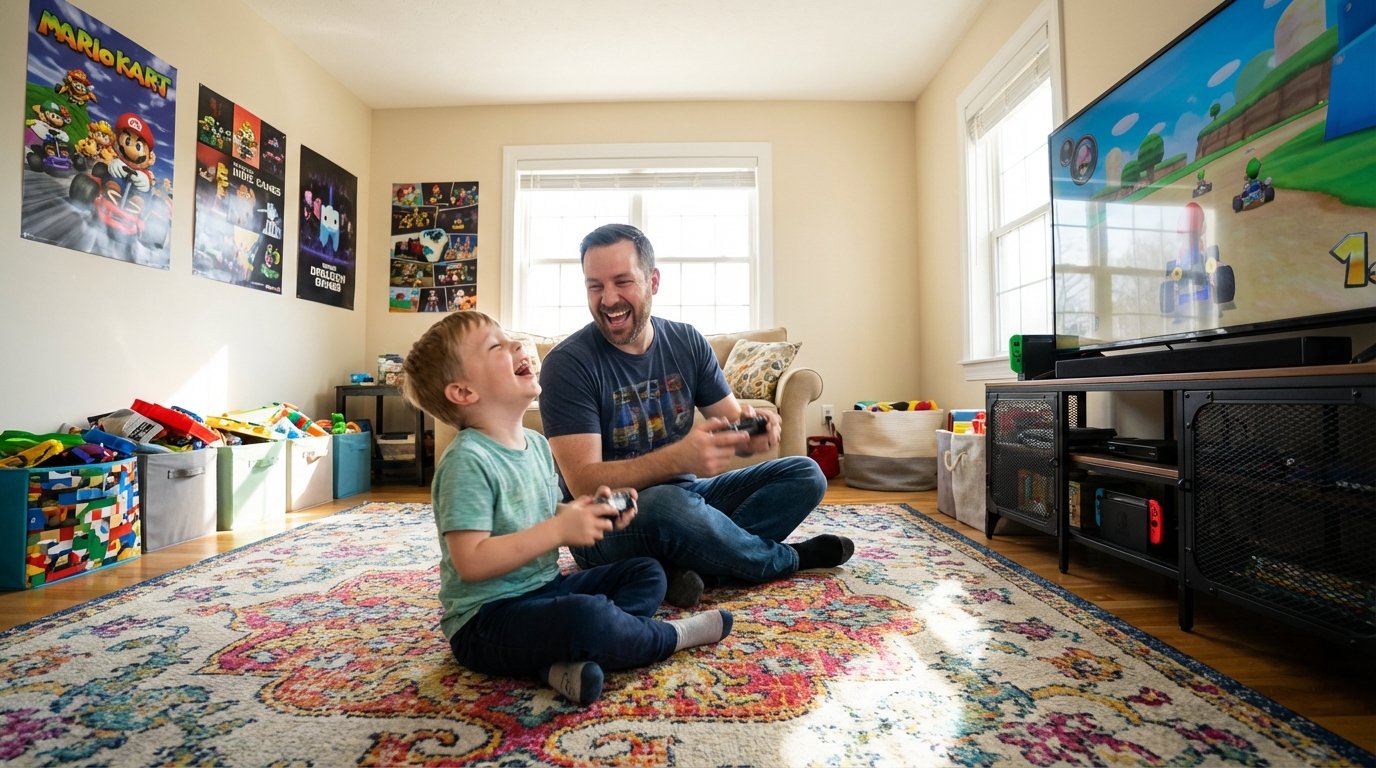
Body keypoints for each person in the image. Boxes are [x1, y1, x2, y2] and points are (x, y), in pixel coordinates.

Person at [402, 310, 733, 706]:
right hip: (486, 620)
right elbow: (470, 561)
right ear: (463, 392)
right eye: (496, 346)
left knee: (647, 572)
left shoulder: (536, 445)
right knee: (585, 616)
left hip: (544, 589)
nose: (516, 344)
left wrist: (587, 514)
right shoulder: (467, 461)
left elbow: (542, 513)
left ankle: (565, 657)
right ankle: (670, 637)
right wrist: (560, 531)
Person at [538, 223, 851, 609]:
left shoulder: (686, 341)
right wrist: (678, 459)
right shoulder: (567, 364)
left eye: (622, 282)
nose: (609, 299)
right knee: (667, 504)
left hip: (689, 501)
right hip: (607, 522)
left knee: (805, 474)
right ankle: (788, 559)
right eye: (595, 286)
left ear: (653, 281)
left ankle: (689, 569)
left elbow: (734, 426)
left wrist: (754, 431)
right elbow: (584, 483)